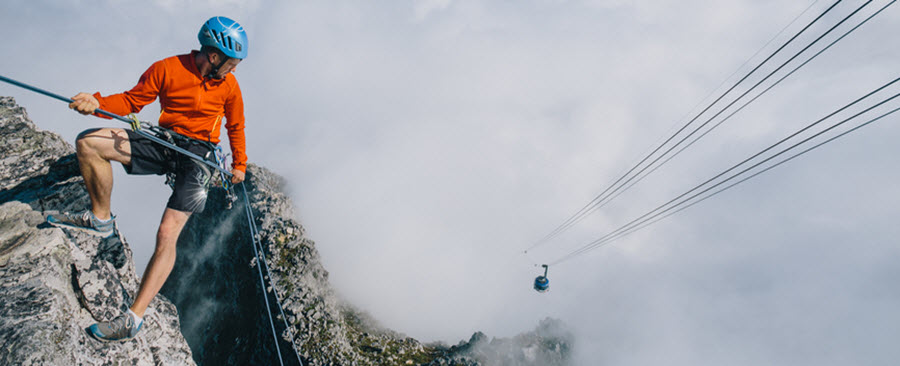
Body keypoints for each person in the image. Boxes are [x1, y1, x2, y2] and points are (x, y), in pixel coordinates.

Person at [47, 16, 249, 342]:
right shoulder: (167, 68)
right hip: (165, 141)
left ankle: (134, 318)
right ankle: (100, 219)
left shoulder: (229, 86)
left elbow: (235, 126)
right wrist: (98, 103)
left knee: (167, 233)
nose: (234, 69)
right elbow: (131, 101)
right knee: (89, 143)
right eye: (232, 62)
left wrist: (239, 163)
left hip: (201, 159)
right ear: (214, 56)